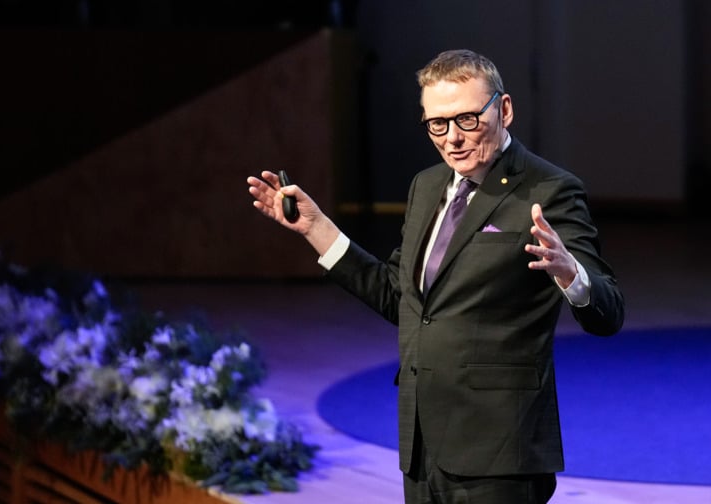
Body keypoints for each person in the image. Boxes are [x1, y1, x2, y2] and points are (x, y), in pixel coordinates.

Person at [247, 49, 624, 504]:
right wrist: (316, 228)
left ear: (504, 109)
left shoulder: (549, 190)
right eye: (437, 124)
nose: (453, 139)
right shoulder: (426, 187)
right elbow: (399, 299)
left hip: (499, 452)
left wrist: (571, 273)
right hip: (422, 445)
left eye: (467, 119)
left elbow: (608, 312)